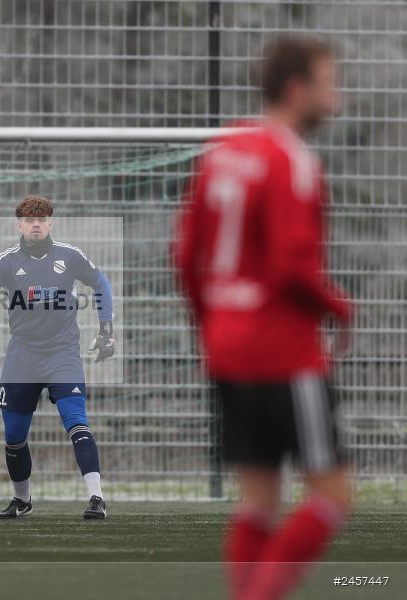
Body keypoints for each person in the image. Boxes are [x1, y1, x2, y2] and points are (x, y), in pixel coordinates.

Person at [173, 37, 352, 600]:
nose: (336, 100)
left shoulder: (223, 150)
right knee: (331, 496)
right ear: (297, 89)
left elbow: (184, 255)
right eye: (330, 85)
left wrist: (212, 324)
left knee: (259, 500)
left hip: (227, 346)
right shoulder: (292, 160)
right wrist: (340, 308)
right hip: (285, 352)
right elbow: (291, 266)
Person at [0, 195, 115, 519]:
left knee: (77, 422)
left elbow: (100, 283)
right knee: (14, 436)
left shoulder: (70, 257)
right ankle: (23, 501)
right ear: (19, 224)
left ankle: (96, 498)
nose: (36, 224)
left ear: (50, 223)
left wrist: (106, 328)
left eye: (42, 219)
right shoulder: (6, 261)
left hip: (62, 353)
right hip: (23, 355)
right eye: (30, 220)